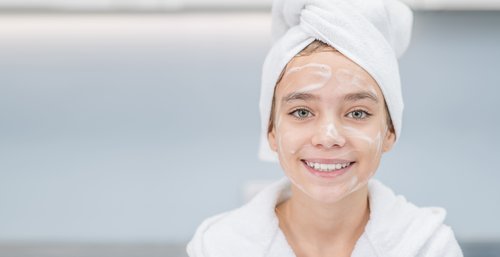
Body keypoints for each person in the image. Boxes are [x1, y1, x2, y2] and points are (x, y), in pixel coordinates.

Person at [187, 0, 463, 256]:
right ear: (271, 129)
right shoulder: (218, 247)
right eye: (302, 111)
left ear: (390, 130)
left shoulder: (429, 248)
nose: (328, 137)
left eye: (357, 112)